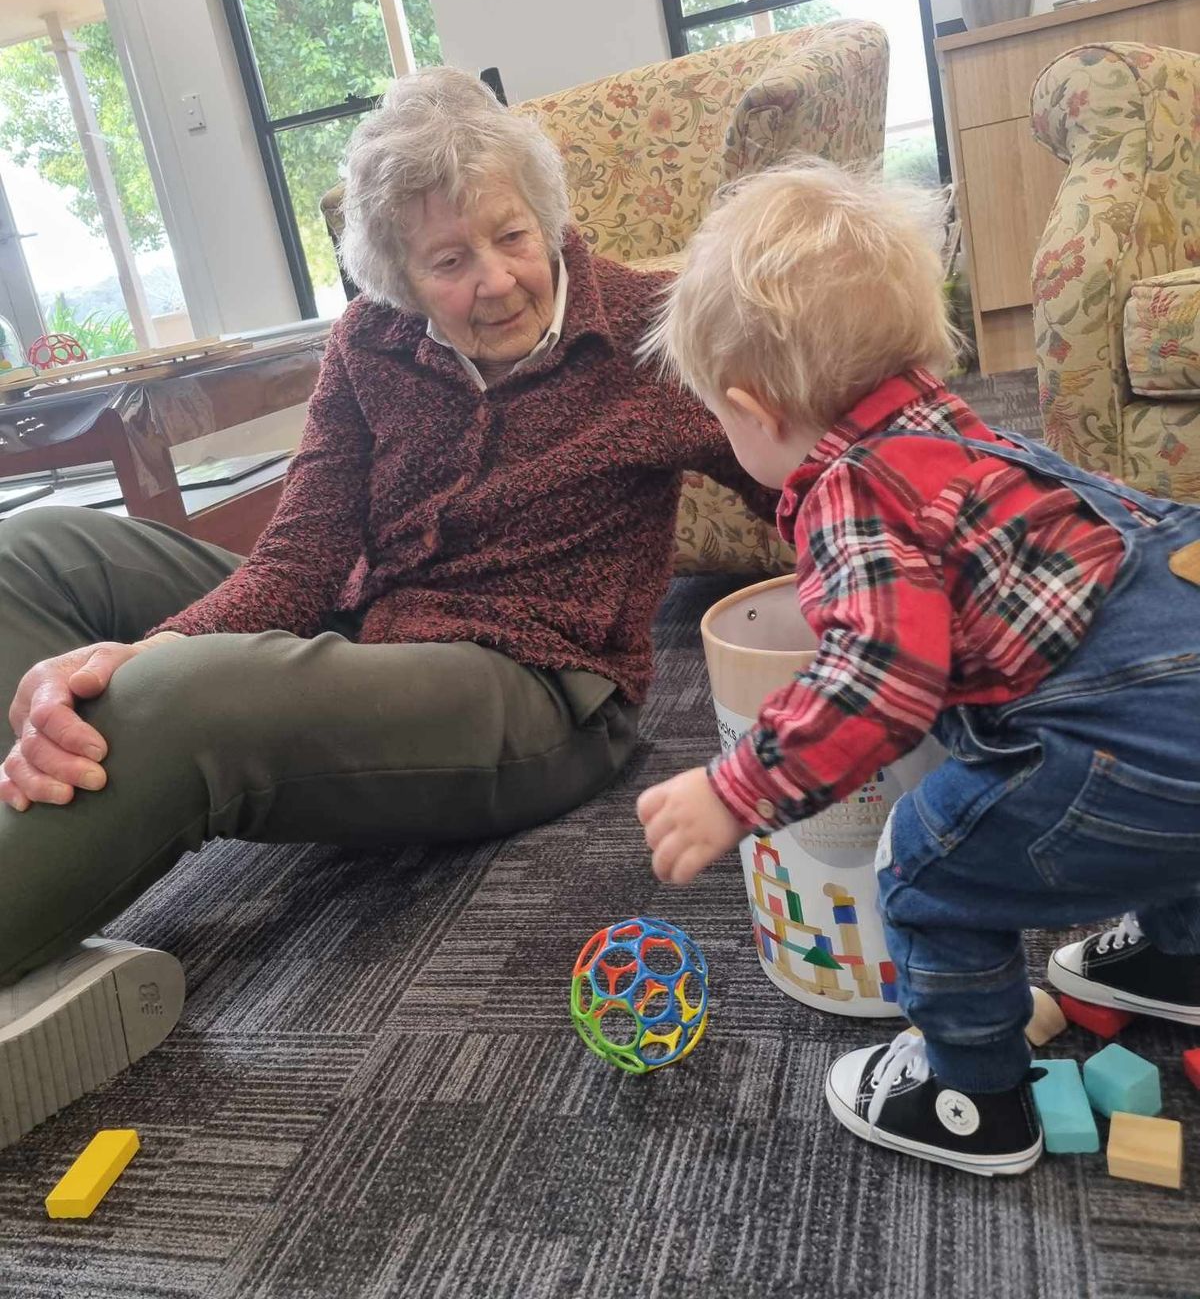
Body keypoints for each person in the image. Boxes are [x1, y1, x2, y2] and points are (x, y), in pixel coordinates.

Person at [0, 68, 776, 1152]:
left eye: (510, 236)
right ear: (402, 275)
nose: (496, 281)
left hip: (538, 686)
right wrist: (139, 648)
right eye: (448, 260)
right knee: (31, 552)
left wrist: (899, 577)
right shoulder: (371, 340)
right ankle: (47, 795)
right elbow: (301, 558)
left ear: (545, 217)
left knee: (174, 699)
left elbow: (795, 479)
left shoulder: (654, 331)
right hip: (370, 635)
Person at [636, 158, 1200, 1176]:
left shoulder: (848, 487)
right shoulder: (966, 431)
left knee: (927, 860)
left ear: (755, 410)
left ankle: (970, 1094)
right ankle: (1184, 951)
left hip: (1138, 747)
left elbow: (881, 673)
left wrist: (734, 789)